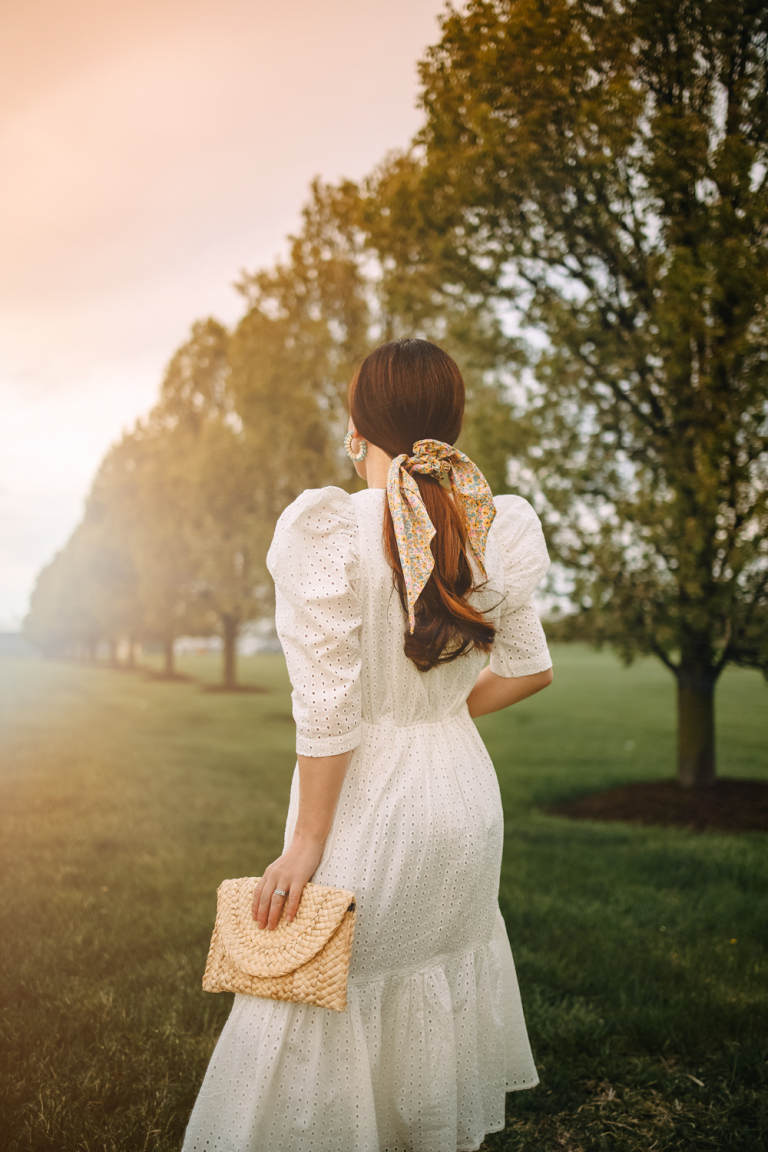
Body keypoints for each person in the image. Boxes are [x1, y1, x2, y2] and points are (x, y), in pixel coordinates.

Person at [182, 339, 553, 1152]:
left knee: (315, 993)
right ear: (449, 428)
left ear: (359, 427)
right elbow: (530, 670)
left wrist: (306, 842)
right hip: (462, 801)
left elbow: (327, 707)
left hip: (372, 807)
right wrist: (440, 712)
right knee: (427, 986)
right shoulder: (488, 527)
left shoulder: (331, 532)